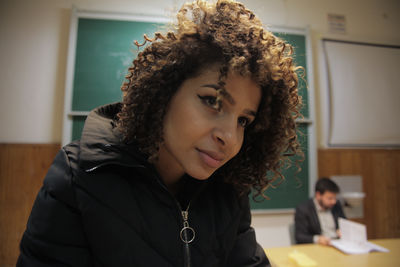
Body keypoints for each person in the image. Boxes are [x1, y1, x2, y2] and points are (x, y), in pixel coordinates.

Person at [17, 0, 303, 266]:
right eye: (212, 101)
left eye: (243, 120)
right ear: (166, 92)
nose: (228, 138)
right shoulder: (78, 177)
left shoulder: (227, 189)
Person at [294, 177, 346, 245]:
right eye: (330, 198)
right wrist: (318, 239)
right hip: (318, 246)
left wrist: (342, 230)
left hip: (338, 243)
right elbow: (299, 236)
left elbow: (344, 223)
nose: (333, 201)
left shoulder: (336, 205)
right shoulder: (304, 209)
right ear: (318, 195)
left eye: (335, 198)